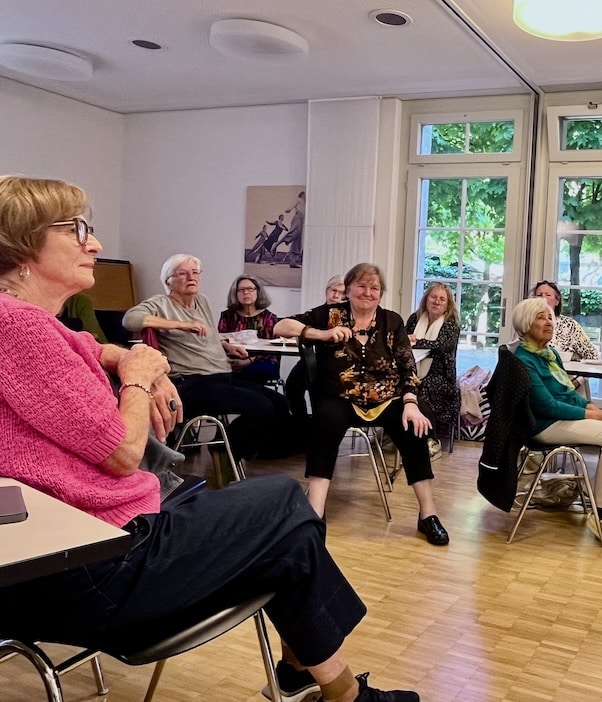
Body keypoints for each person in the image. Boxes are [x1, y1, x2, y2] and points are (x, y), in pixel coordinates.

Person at [0, 175, 419, 702]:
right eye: (76, 229)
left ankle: (311, 679)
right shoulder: (20, 329)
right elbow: (124, 454)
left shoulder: (31, 323)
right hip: (98, 566)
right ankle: (330, 688)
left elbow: (85, 344)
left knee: (288, 533)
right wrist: (140, 371)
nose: (95, 243)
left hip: (97, 545)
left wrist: (127, 357)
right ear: (21, 248)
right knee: (287, 504)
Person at [274, 263, 449, 546]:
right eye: (362, 286)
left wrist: (410, 403)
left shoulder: (392, 322)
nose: (368, 293)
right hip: (340, 399)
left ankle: (428, 514)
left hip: (386, 399)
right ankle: (315, 511)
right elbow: (280, 326)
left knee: (412, 425)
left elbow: (407, 368)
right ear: (349, 289)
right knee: (324, 420)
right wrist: (322, 334)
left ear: (381, 293)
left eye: (374, 288)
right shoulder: (330, 315)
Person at [123, 254, 291, 466]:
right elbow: (130, 319)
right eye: (182, 274)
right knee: (262, 407)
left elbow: (211, 334)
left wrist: (226, 346)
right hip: (192, 383)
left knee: (280, 404)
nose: (190, 277)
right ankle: (225, 450)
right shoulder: (161, 303)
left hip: (221, 376)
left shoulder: (202, 301)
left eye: (194, 273)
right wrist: (181, 324)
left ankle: (225, 445)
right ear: (168, 281)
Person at [510, 297, 602, 550]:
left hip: (560, 416)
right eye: (541, 317)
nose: (549, 322)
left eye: (550, 317)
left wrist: (588, 406)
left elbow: (566, 391)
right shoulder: (524, 360)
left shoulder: (549, 354)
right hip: (543, 425)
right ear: (525, 324)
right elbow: (546, 406)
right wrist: (591, 415)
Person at [405, 283, 461, 457]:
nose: (437, 302)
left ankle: (432, 440)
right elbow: (401, 343)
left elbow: (441, 346)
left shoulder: (451, 323)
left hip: (441, 375)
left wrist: (414, 341)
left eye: (442, 299)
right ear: (426, 299)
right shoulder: (414, 319)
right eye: (433, 297)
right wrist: (407, 340)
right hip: (413, 370)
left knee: (424, 387)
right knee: (402, 385)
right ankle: (399, 435)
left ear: (448, 304)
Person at [286, 275, 345, 421]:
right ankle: (301, 423)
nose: (336, 296)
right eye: (333, 290)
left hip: (337, 364)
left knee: (320, 392)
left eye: (341, 293)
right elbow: (288, 322)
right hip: (313, 359)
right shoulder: (316, 313)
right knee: (292, 386)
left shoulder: (348, 314)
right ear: (327, 291)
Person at [218, 274, 281, 384]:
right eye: (241, 290)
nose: (246, 293)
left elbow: (274, 349)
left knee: (246, 373)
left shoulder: (269, 318)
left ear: (258, 292)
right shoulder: (227, 316)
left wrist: (248, 361)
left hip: (263, 362)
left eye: (250, 289)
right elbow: (219, 341)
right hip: (230, 361)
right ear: (235, 294)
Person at [532, 280, 599, 361]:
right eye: (539, 295)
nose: (543, 298)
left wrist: (573, 358)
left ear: (557, 301)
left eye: (548, 295)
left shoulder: (570, 326)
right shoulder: (526, 322)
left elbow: (593, 356)